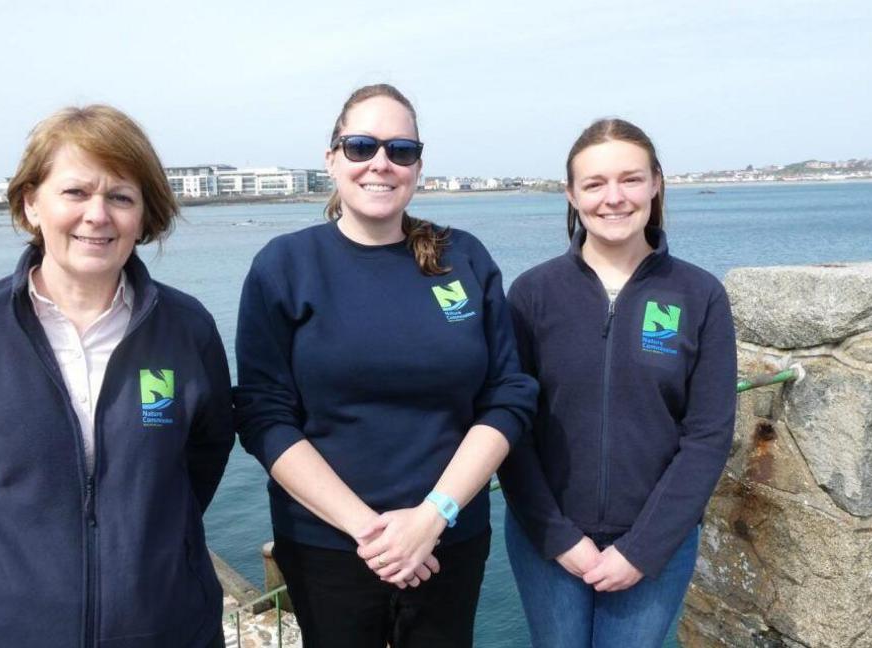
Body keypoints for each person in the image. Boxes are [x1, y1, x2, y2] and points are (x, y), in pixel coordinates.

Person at [0, 105, 234, 647]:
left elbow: (205, 453)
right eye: (76, 193)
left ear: (143, 215)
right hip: (4, 629)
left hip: (166, 628)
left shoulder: (188, 329)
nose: (98, 215)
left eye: (120, 197)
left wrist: (153, 543)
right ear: (30, 204)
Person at [233, 83, 538, 648]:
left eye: (401, 150)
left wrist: (432, 517)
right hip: (327, 544)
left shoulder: (461, 258)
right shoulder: (285, 266)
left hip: (447, 537)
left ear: (418, 165)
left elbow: (508, 394)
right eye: (361, 146)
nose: (381, 163)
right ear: (332, 159)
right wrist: (371, 532)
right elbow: (263, 415)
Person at [498, 118, 737, 647]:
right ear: (571, 194)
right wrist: (559, 537)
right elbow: (510, 426)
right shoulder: (533, 295)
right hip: (548, 543)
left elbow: (708, 436)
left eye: (630, 179)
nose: (614, 198)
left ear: (656, 183)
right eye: (595, 183)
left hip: (655, 545)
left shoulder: (699, 295)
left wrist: (642, 549)